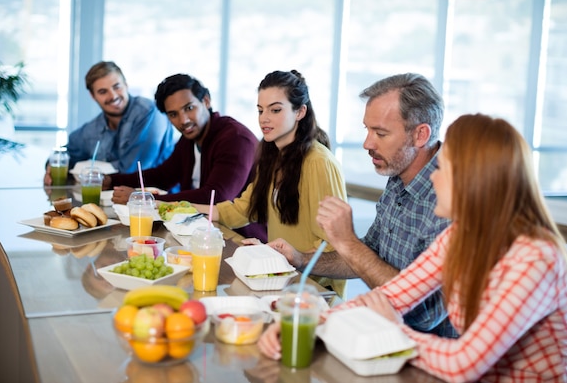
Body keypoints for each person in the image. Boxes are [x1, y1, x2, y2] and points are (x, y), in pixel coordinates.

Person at [259, 113, 567, 382]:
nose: (434, 179)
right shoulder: (460, 236)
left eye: (444, 168)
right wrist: (306, 322)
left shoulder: (534, 258)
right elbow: (390, 296)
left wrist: (396, 334)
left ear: (474, 181)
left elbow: (463, 363)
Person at [268, 73, 454, 336]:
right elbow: (369, 256)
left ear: (420, 135)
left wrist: (347, 241)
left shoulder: (451, 199)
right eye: (367, 129)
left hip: (426, 359)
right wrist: (299, 258)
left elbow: (423, 314)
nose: (368, 143)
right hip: (383, 334)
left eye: (380, 133)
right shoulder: (399, 173)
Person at [194, 70, 348, 294]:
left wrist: (276, 258)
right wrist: (184, 209)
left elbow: (335, 245)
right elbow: (242, 209)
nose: (263, 118)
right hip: (280, 279)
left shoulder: (319, 163)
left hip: (313, 290)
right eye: (260, 110)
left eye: (275, 110)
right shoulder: (273, 155)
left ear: (300, 112)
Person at [104, 73, 265, 239]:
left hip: (241, 239)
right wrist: (113, 181)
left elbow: (215, 197)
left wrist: (148, 200)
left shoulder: (235, 139)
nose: (184, 120)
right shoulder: (190, 137)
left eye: (189, 108)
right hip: (201, 229)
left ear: (206, 101)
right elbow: (164, 175)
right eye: (173, 114)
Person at [43, 61, 175, 184]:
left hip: (161, 201)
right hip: (112, 200)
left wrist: (93, 173)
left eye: (117, 87)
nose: (113, 96)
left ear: (126, 85)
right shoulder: (94, 127)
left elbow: (133, 169)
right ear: (93, 96)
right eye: (102, 92)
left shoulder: (149, 112)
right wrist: (51, 165)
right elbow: (65, 153)